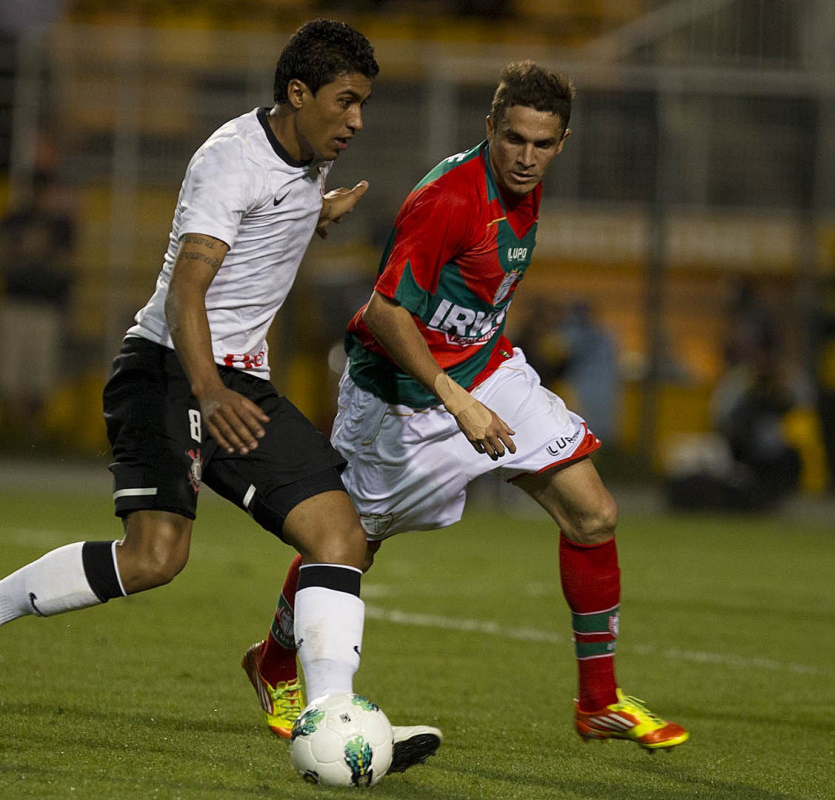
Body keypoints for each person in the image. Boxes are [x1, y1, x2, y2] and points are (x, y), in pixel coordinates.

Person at [0, 19, 439, 774]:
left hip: (235, 383)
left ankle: (331, 713)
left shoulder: (307, 157)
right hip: (167, 369)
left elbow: (266, 222)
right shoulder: (230, 160)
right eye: (346, 102)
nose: (357, 120)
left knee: (341, 538)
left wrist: (314, 217)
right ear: (297, 93)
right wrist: (208, 389)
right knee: (155, 558)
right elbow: (190, 286)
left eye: (363, 104)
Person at [241, 61, 688, 751]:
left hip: (485, 368)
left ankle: (598, 700)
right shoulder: (450, 199)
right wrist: (457, 402)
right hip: (401, 397)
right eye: (514, 140)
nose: (527, 157)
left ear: (562, 142)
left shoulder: (526, 188)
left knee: (594, 514)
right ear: (489, 128)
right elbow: (386, 312)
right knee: (347, 545)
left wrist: (477, 381)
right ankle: (273, 663)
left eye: (543, 145)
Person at [0, 170, 77, 435]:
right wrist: (25, 253)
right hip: (15, 301)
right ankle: (13, 432)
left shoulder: (61, 225)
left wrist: (40, 252)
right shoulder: (13, 221)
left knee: (40, 379)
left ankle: (31, 434)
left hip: (44, 305)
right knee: (8, 377)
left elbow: (67, 265)